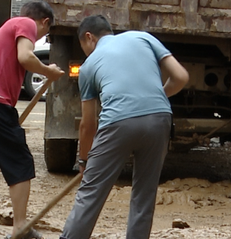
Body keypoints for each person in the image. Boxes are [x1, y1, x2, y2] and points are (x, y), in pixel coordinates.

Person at [59, 15, 189, 239]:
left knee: (90, 193)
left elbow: (88, 124)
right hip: (160, 118)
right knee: (144, 195)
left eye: (84, 47)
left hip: (117, 123)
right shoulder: (144, 37)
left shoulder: (89, 65)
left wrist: (83, 161)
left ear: (89, 37)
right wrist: (153, 96)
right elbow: (181, 76)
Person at [0, 1, 65, 239]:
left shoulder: (4, 32)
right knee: (20, 161)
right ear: (45, 22)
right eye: (44, 34)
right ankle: (20, 226)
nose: (39, 37)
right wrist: (49, 71)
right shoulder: (26, 23)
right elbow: (26, 57)